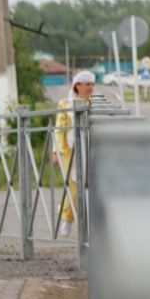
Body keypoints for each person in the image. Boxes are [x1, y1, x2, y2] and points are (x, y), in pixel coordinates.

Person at [53, 70, 96, 237]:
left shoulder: (94, 103)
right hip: (69, 151)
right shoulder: (65, 104)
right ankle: (67, 218)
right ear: (77, 85)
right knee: (72, 187)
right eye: (87, 84)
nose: (91, 87)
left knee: (92, 186)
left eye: (92, 84)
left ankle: (92, 223)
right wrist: (56, 151)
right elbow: (59, 129)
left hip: (89, 148)